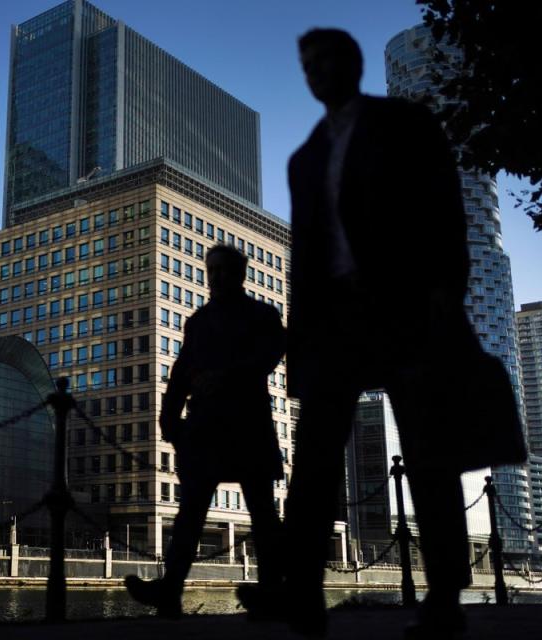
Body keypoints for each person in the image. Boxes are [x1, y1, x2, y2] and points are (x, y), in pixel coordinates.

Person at [282, 28, 481, 638]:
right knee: (313, 459)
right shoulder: (305, 157)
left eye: (328, 60)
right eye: (308, 65)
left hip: (406, 308)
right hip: (334, 321)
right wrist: (299, 347)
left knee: (429, 450)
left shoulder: (405, 124)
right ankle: (301, 594)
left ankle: (444, 594)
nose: (318, 72)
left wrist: (448, 293)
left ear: (354, 62)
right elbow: (303, 259)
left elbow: (447, 211)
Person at [125, 245, 286, 618]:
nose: (215, 278)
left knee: (261, 510)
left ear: (240, 274)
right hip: (207, 427)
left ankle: (272, 590)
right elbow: (181, 372)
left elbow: (270, 355)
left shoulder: (263, 315)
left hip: (247, 424)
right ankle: (170, 590)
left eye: (223, 270)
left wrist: (224, 376)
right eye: (211, 270)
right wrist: (168, 420)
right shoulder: (197, 322)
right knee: (191, 512)